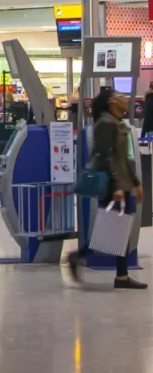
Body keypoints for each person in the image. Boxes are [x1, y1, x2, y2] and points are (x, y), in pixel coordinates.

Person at [69, 89, 146, 288]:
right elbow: (105, 157)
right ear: (112, 102)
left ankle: (121, 276)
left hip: (123, 184)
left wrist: (136, 183)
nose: (125, 98)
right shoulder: (105, 123)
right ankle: (79, 256)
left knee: (120, 231)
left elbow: (122, 159)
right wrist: (117, 187)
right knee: (112, 232)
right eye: (120, 95)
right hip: (114, 186)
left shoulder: (117, 122)